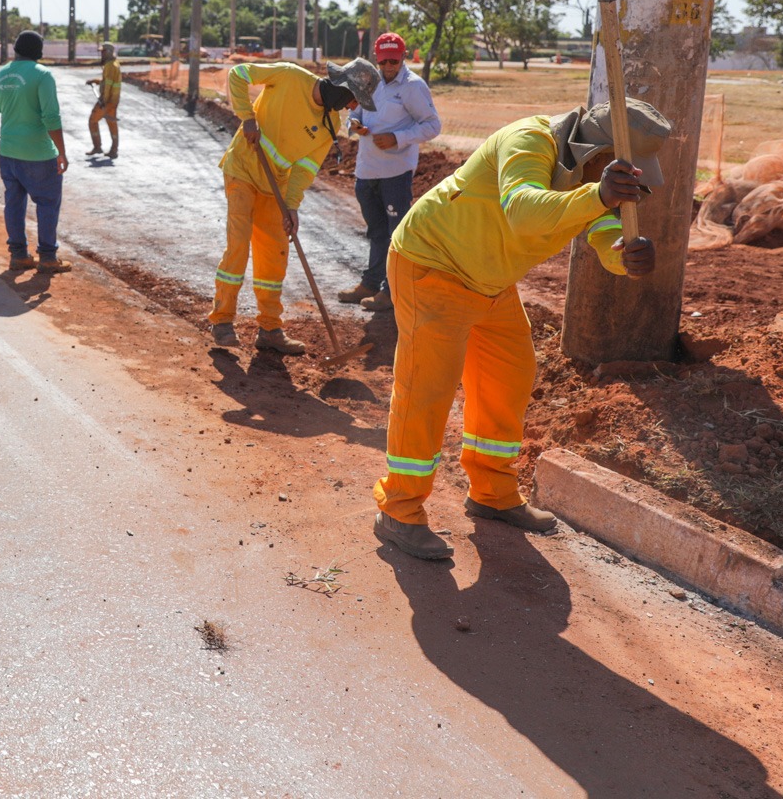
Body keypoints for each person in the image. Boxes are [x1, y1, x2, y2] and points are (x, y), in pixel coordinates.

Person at [372, 99, 671, 561]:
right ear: (593, 151)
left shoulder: (594, 182)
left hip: (491, 279)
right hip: (433, 264)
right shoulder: (529, 139)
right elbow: (525, 211)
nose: (615, 185)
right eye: (613, 173)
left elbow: (604, 232)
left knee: (508, 379)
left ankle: (491, 492)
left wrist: (626, 257)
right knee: (426, 388)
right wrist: (599, 195)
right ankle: (399, 509)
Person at [209, 57, 380, 355]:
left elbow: (304, 169)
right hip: (244, 169)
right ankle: (222, 320)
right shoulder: (289, 76)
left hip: (274, 188)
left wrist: (291, 206)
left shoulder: (331, 124)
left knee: (274, 254)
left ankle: (270, 329)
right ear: (341, 88)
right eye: (353, 99)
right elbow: (238, 74)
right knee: (238, 245)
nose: (352, 108)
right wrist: (246, 116)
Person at [340, 32, 442, 312]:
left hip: (396, 171)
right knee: (376, 231)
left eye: (393, 61)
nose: (388, 67)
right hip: (367, 169)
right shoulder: (369, 83)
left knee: (396, 233)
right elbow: (353, 114)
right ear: (376, 59)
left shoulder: (413, 87)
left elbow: (432, 125)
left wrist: (397, 138)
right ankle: (370, 284)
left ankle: (391, 291)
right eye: (384, 61)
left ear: (403, 57)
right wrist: (355, 125)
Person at [0, 30, 72, 274]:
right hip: (38, 154)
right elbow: (51, 117)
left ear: (16, 49)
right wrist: (61, 152)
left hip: (7, 151)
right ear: (39, 52)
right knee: (47, 203)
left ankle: (19, 256)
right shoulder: (43, 75)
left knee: (14, 203)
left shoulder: (1, 74)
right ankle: (47, 257)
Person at [85, 42, 122, 159]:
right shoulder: (114, 64)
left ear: (109, 52)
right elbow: (107, 81)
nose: (101, 54)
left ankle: (97, 146)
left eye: (103, 51)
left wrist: (103, 101)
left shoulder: (110, 66)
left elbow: (108, 86)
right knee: (112, 123)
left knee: (92, 120)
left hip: (107, 101)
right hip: (114, 101)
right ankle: (114, 150)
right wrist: (96, 81)